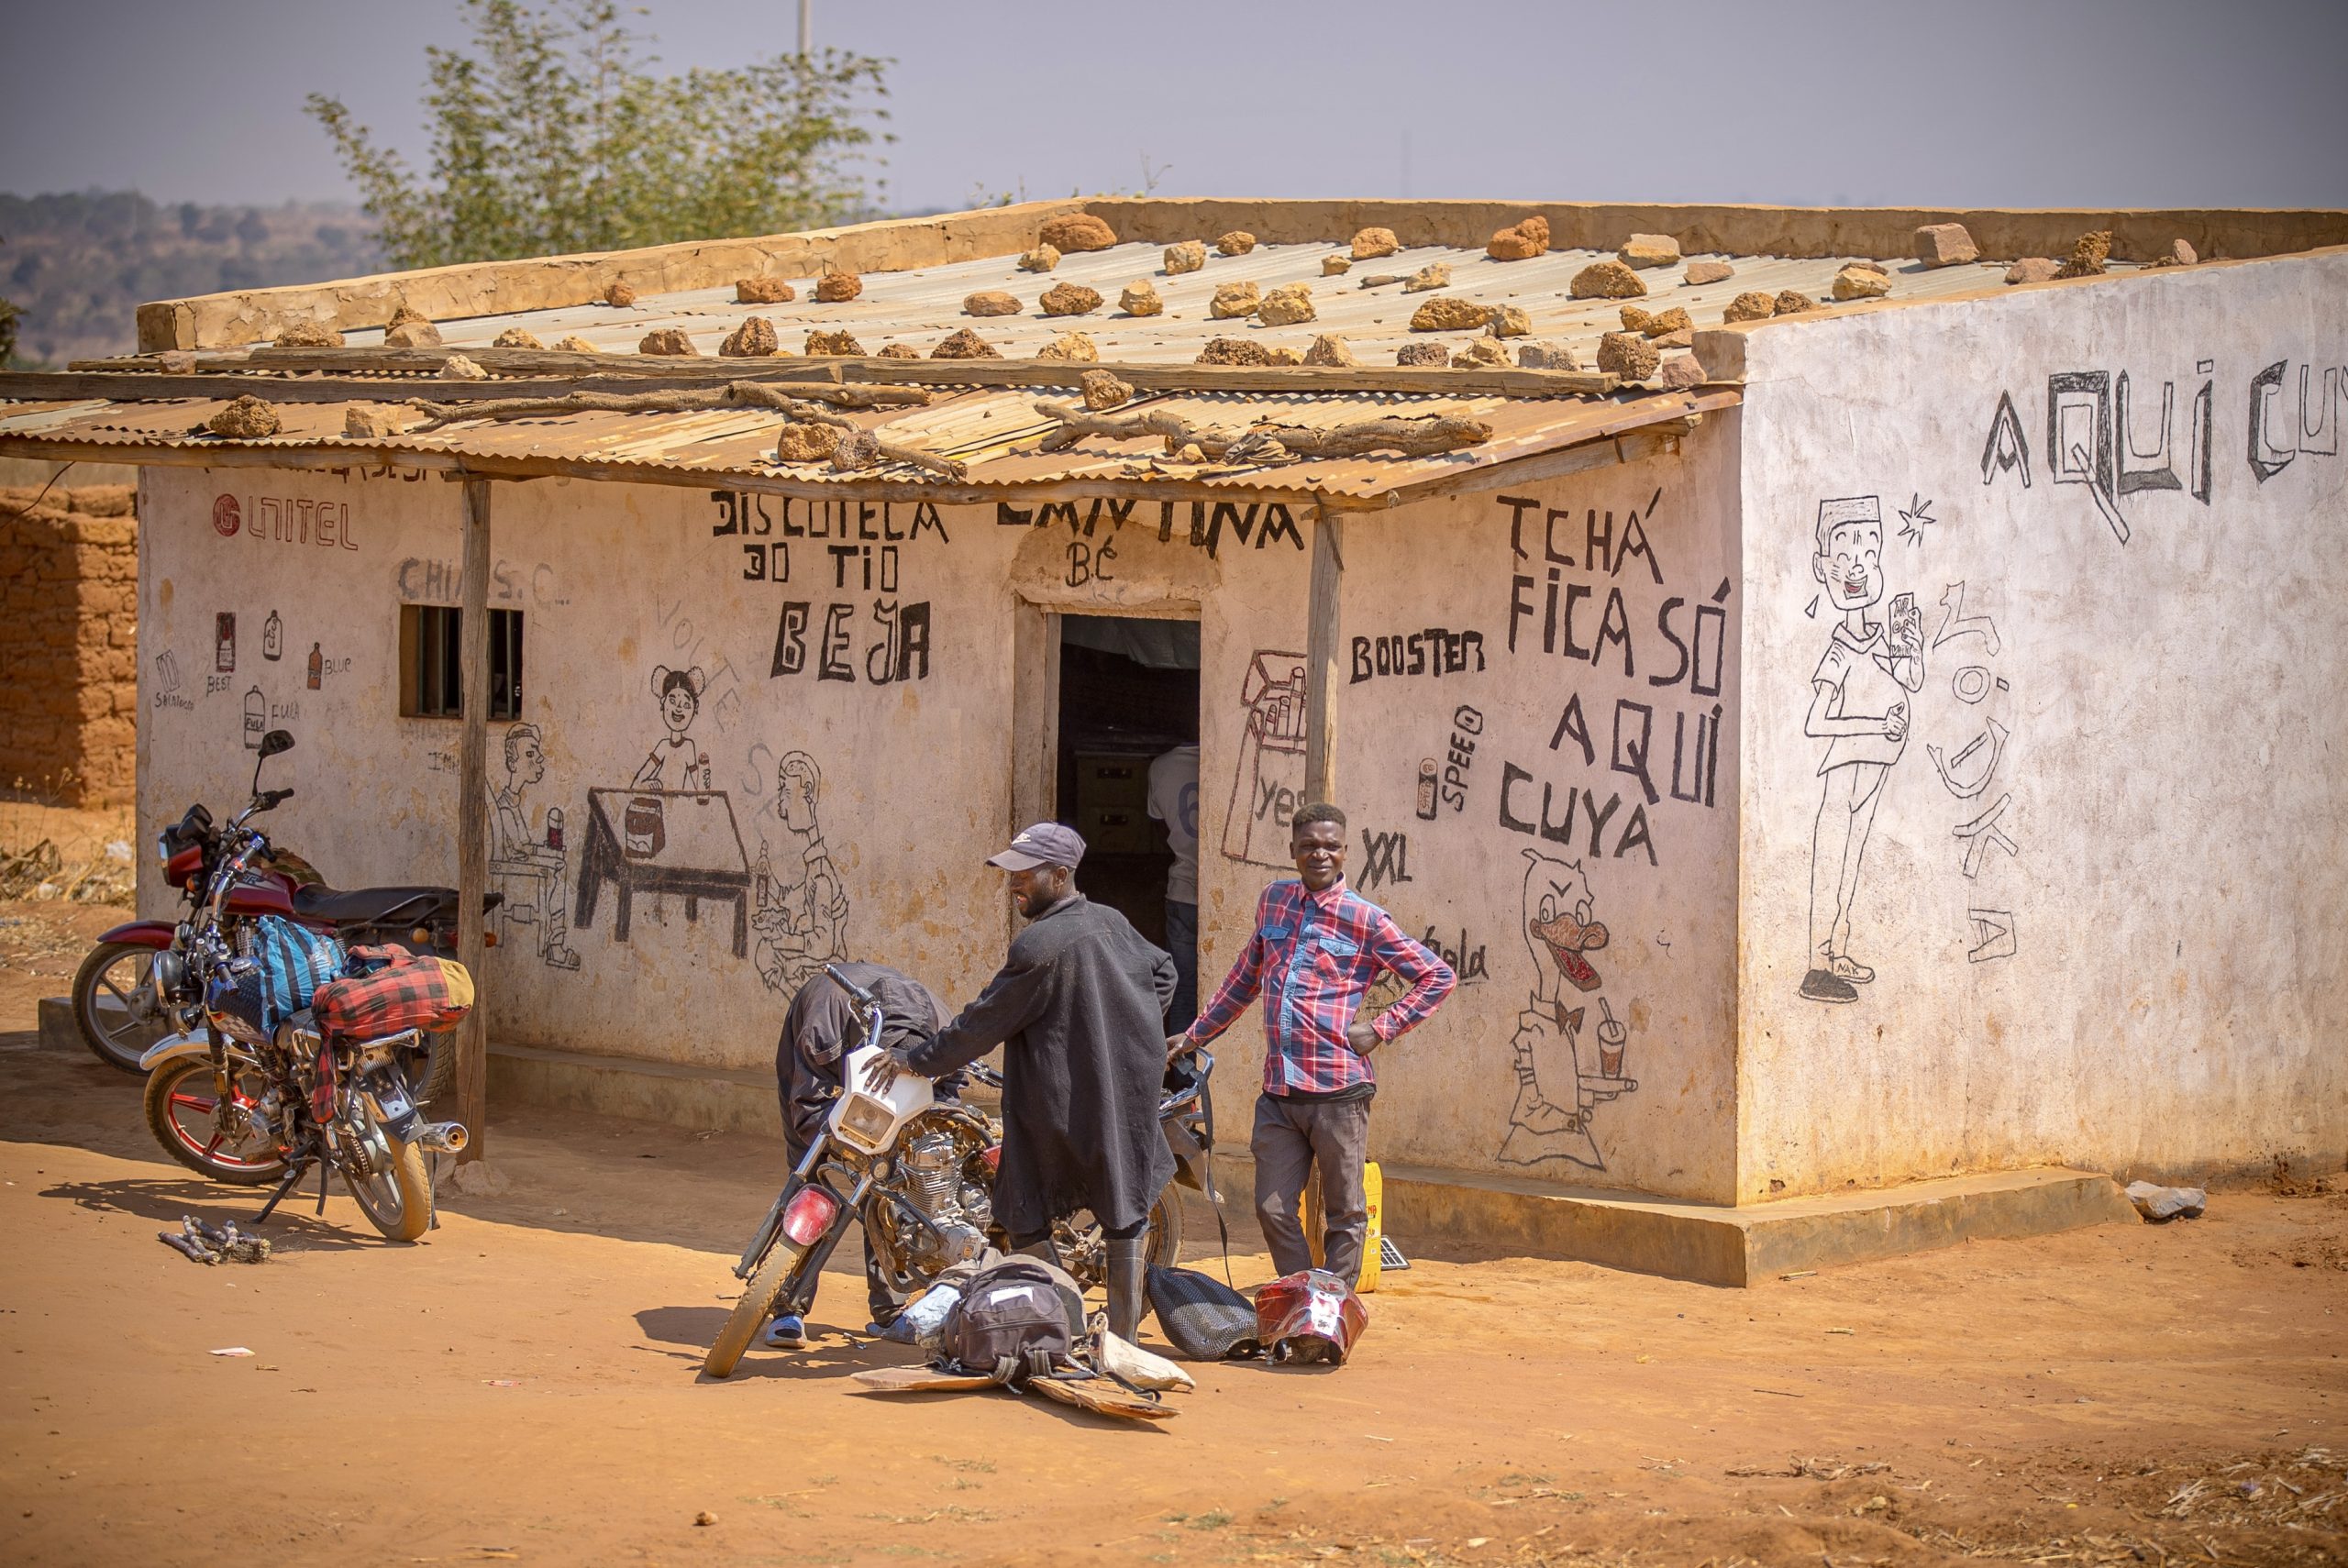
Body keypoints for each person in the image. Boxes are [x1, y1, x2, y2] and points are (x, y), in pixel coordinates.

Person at [863, 823, 1175, 1342]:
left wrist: (916, 1060)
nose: (1014, 885)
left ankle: (1070, 1322)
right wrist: (1130, 1034)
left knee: (1022, 1213)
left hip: (1057, 1110)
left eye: (1025, 875)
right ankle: (1121, 1342)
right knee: (1124, 1213)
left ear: (1060, 875)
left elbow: (981, 1024)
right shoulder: (1111, 922)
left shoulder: (1039, 946)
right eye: (1012, 874)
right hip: (1121, 1102)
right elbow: (1163, 974)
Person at [1175, 802, 1455, 1287]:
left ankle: (1331, 1308)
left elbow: (1438, 976)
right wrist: (1195, 1035)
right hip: (1280, 1094)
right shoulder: (1274, 901)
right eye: (1308, 846)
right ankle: (1305, 1293)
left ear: (1345, 852)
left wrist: (1381, 1027)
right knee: (1272, 1207)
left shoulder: (1365, 919)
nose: (1319, 854)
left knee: (1345, 1212)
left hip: (1339, 1094)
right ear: (1293, 850)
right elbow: (1244, 979)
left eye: (1330, 846)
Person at [765, 960, 953, 1348]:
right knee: (810, 1172)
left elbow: (949, 1098)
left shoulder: (946, 1033)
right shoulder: (824, 1022)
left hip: (903, 1080)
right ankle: (787, 1305)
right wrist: (849, 1150)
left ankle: (891, 1308)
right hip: (822, 1057)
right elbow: (808, 1103)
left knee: (893, 1187)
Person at [1800, 497, 1924, 1005]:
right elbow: (1815, 723)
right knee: (1832, 862)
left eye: (1868, 555)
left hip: (1876, 768)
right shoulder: (1837, 652)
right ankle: (1816, 969)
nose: (1857, 567)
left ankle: (1838, 952)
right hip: (1846, 772)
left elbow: (1911, 680)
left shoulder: (1883, 636)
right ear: (1822, 567)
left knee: (1850, 864)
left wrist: (1911, 646)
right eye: (1844, 556)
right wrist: (1877, 726)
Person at [1146, 742, 1202, 1032]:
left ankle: (1182, 1060)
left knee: (1182, 990)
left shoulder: (1160, 767)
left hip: (1181, 892)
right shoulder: (1226, 758)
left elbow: (1159, 829)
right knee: (1226, 992)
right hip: (1217, 899)